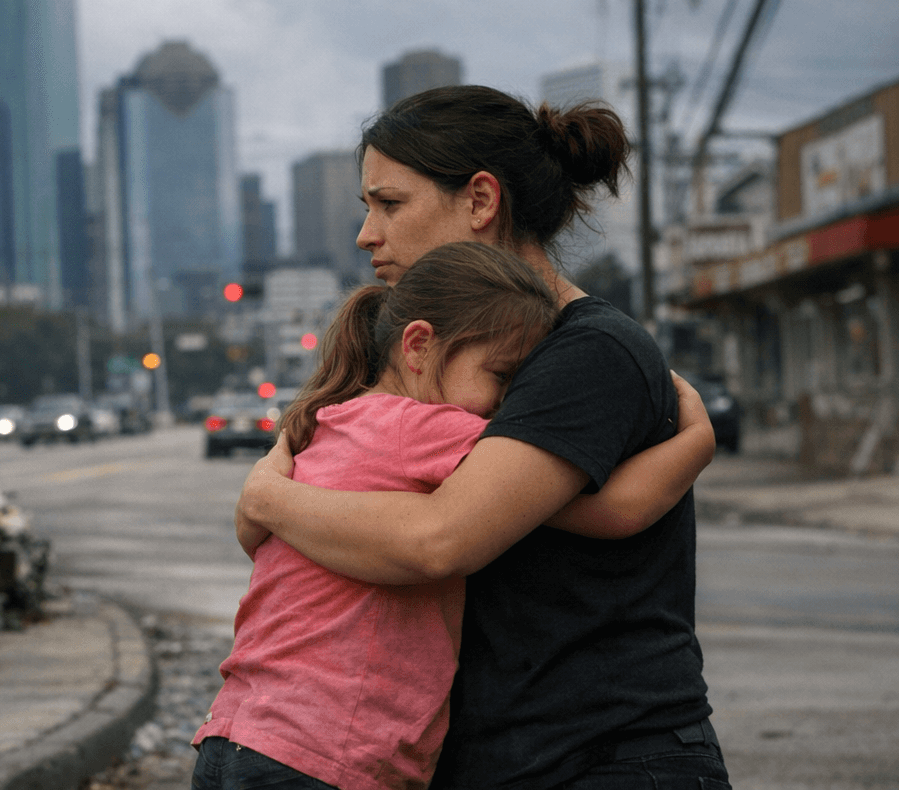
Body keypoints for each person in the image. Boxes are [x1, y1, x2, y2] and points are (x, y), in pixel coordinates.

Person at [237, 86, 728, 790]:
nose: (366, 234)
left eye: (390, 203)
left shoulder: (590, 353)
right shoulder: (428, 356)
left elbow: (441, 539)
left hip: (603, 759)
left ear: (480, 200)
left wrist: (268, 498)